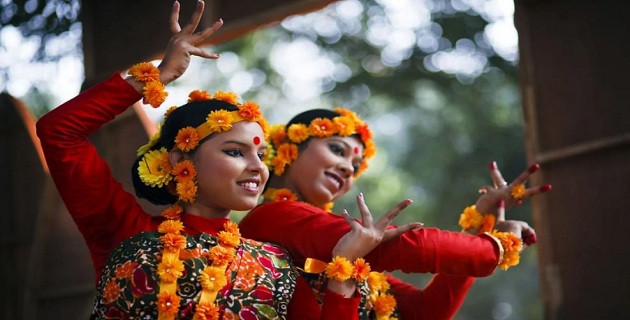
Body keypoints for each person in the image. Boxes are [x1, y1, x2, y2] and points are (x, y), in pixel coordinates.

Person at [36, 1, 423, 319]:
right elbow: (58, 132)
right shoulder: (124, 228)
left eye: (261, 154)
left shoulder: (278, 267)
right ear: (181, 160)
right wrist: (157, 75)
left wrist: (341, 277)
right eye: (235, 152)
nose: (257, 165)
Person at [239, 108, 552, 319]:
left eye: (356, 166)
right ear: (286, 150)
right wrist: (494, 246)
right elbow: (405, 245)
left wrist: (481, 222)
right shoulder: (274, 216)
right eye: (337, 149)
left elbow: (428, 311)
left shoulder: (344, 248)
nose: (349, 168)